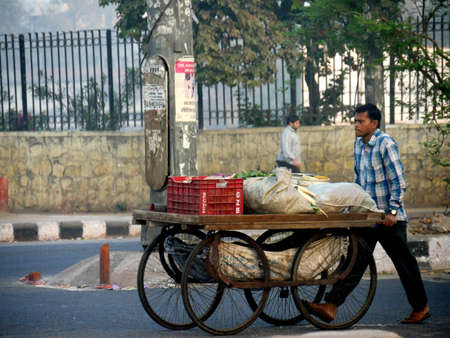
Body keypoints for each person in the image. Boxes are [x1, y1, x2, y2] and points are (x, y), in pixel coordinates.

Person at [306, 103, 430, 324]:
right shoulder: (357, 145)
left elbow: (399, 182)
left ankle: (421, 308)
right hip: (367, 217)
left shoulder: (386, 145)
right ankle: (331, 306)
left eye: (360, 121)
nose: (356, 125)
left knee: (404, 264)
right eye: (355, 121)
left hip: (389, 219)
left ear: (374, 123)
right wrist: (351, 205)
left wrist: (392, 211)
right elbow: (359, 181)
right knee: (355, 261)